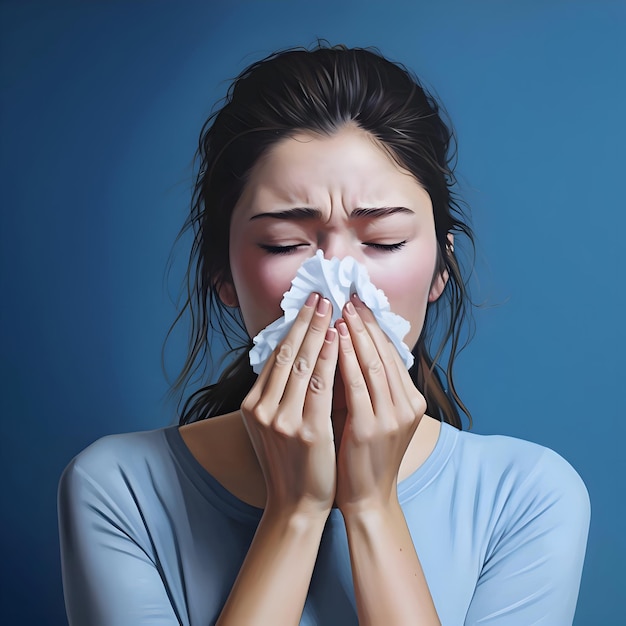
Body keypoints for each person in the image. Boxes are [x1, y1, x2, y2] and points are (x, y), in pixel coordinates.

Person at [58, 44, 590, 625]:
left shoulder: (530, 498)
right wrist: (294, 513)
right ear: (223, 273)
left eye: (384, 241)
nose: (339, 285)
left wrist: (370, 507)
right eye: (285, 245)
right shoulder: (118, 491)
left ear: (441, 267)